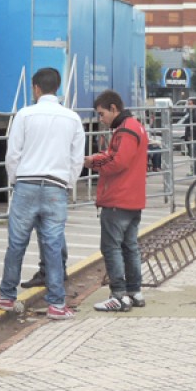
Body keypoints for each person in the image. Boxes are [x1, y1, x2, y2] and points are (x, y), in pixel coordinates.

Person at [0, 68, 84, 320]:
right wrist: (67, 183)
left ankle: (7, 294)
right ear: (57, 88)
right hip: (56, 186)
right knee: (52, 245)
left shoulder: (24, 115)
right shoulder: (72, 118)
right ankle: (56, 303)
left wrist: (14, 180)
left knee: (17, 243)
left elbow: (13, 154)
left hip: (26, 184)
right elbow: (77, 159)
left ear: (36, 88)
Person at [84, 89, 148, 312]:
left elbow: (118, 161)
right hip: (133, 198)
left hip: (118, 198)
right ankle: (134, 291)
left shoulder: (126, 129)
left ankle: (118, 295)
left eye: (102, 114)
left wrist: (93, 162)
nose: (101, 119)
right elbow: (119, 158)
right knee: (130, 247)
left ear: (113, 108)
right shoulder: (135, 126)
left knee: (111, 247)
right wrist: (100, 158)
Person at [183, 99, 196, 176]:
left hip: (193, 138)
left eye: (190, 104)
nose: (188, 105)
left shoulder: (195, 114)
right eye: (188, 104)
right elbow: (185, 122)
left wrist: (191, 136)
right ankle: (195, 170)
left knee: (193, 154)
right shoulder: (190, 113)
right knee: (191, 154)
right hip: (190, 137)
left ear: (194, 105)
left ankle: (194, 170)